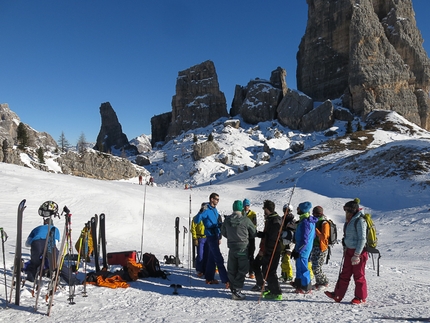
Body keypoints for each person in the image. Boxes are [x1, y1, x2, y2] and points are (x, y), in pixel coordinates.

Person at [25, 201, 80, 285]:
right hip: (49, 242)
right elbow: (56, 242)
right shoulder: (54, 229)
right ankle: (71, 280)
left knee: (34, 262)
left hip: (36, 243)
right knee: (58, 263)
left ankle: (31, 277)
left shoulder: (37, 228)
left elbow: (27, 243)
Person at [325, 199, 368, 304]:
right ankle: (338, 295)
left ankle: (360, 297)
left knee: (358, 275)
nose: (346, 213)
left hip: (359, 252)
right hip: (349, 251)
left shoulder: (360, 221)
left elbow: (362, 239)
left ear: (352, 211)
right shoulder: (350, 220)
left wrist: (357, 254)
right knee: (344, 273)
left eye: (347, 211)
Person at [221, 200, 256, 300]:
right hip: (243, 248)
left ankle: (233, 289)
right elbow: (253, 232)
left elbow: (223, 231)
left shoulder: (227, 220)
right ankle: (237, 290)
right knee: (243, 269)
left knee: (232, 269)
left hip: (232, 247)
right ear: (241, 208)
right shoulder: (245, 220)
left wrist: (231, 237)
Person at [193, 193, 229, 288]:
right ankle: (226, 280)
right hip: (210, 235)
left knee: (212, 257)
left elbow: (216, 221)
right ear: (211, 199)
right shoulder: (206, 209)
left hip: (216, 235)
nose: (217, 201)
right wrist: (200, 212)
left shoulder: (214, 210)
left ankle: (209, 278)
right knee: (218, 258)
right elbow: (196, 221)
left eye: (218, 199)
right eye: (216, 199)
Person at [252, 200, 283, 300]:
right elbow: (268, 235)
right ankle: (269, 288)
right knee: (264, 269)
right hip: (267, 249)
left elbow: (273, 238)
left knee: (270, 271)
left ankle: (277, 293)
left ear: (267, 209)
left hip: (272, 250)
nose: (263, 211)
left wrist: (267, 252)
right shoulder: (271, 219)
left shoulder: (275, 221)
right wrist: (259, 234)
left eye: (264, 209)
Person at [291, 201, 317, 294]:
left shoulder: (305, 222)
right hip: (302, 248)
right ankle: (299, 284)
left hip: (303, 249)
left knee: (303, 268)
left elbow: (304, 239)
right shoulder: (307, 220)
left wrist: (299, 250)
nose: (297, 209)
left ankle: (305, 287)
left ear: (302, 210)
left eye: (298, 208)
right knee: (299, 266)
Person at [310, 206, 330, 290]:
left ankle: (324, 282)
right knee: (314, 266)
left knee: (316, 267)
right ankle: (319, 282)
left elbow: (324, 237)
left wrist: (315, 230)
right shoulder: (317, 221)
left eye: (314, 213)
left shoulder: (324, 223)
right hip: (315, 246)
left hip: (321, 247)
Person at [191, 203, 210, 278]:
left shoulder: (208, 217)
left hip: (207, 238)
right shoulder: (197, 217)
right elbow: (193, 229)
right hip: (200, 238)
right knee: (200, 255)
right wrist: (195, 238)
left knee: (207, 255)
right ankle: (199, 270)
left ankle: (206, 269)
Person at [279, 203, 296, 282]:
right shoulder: (282, 218)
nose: (285, 212)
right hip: (283, 240)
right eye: (284, 210)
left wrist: (288, 226)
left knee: (286, 258)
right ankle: (284, 274)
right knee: (283, 258)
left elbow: (294, 228)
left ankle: (289, 275)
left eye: (287, 210)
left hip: (290, 241)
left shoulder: (292, 219)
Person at [242, 198, 257, 279]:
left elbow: (254, 225)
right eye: (245, 206)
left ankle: (251, 271)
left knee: (251, 255)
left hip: (250, 237)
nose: (246, 207)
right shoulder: (241, 213)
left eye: (247, 205)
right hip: (243, 237)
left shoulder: (253, 214)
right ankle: (243, 271)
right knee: (243, 255)